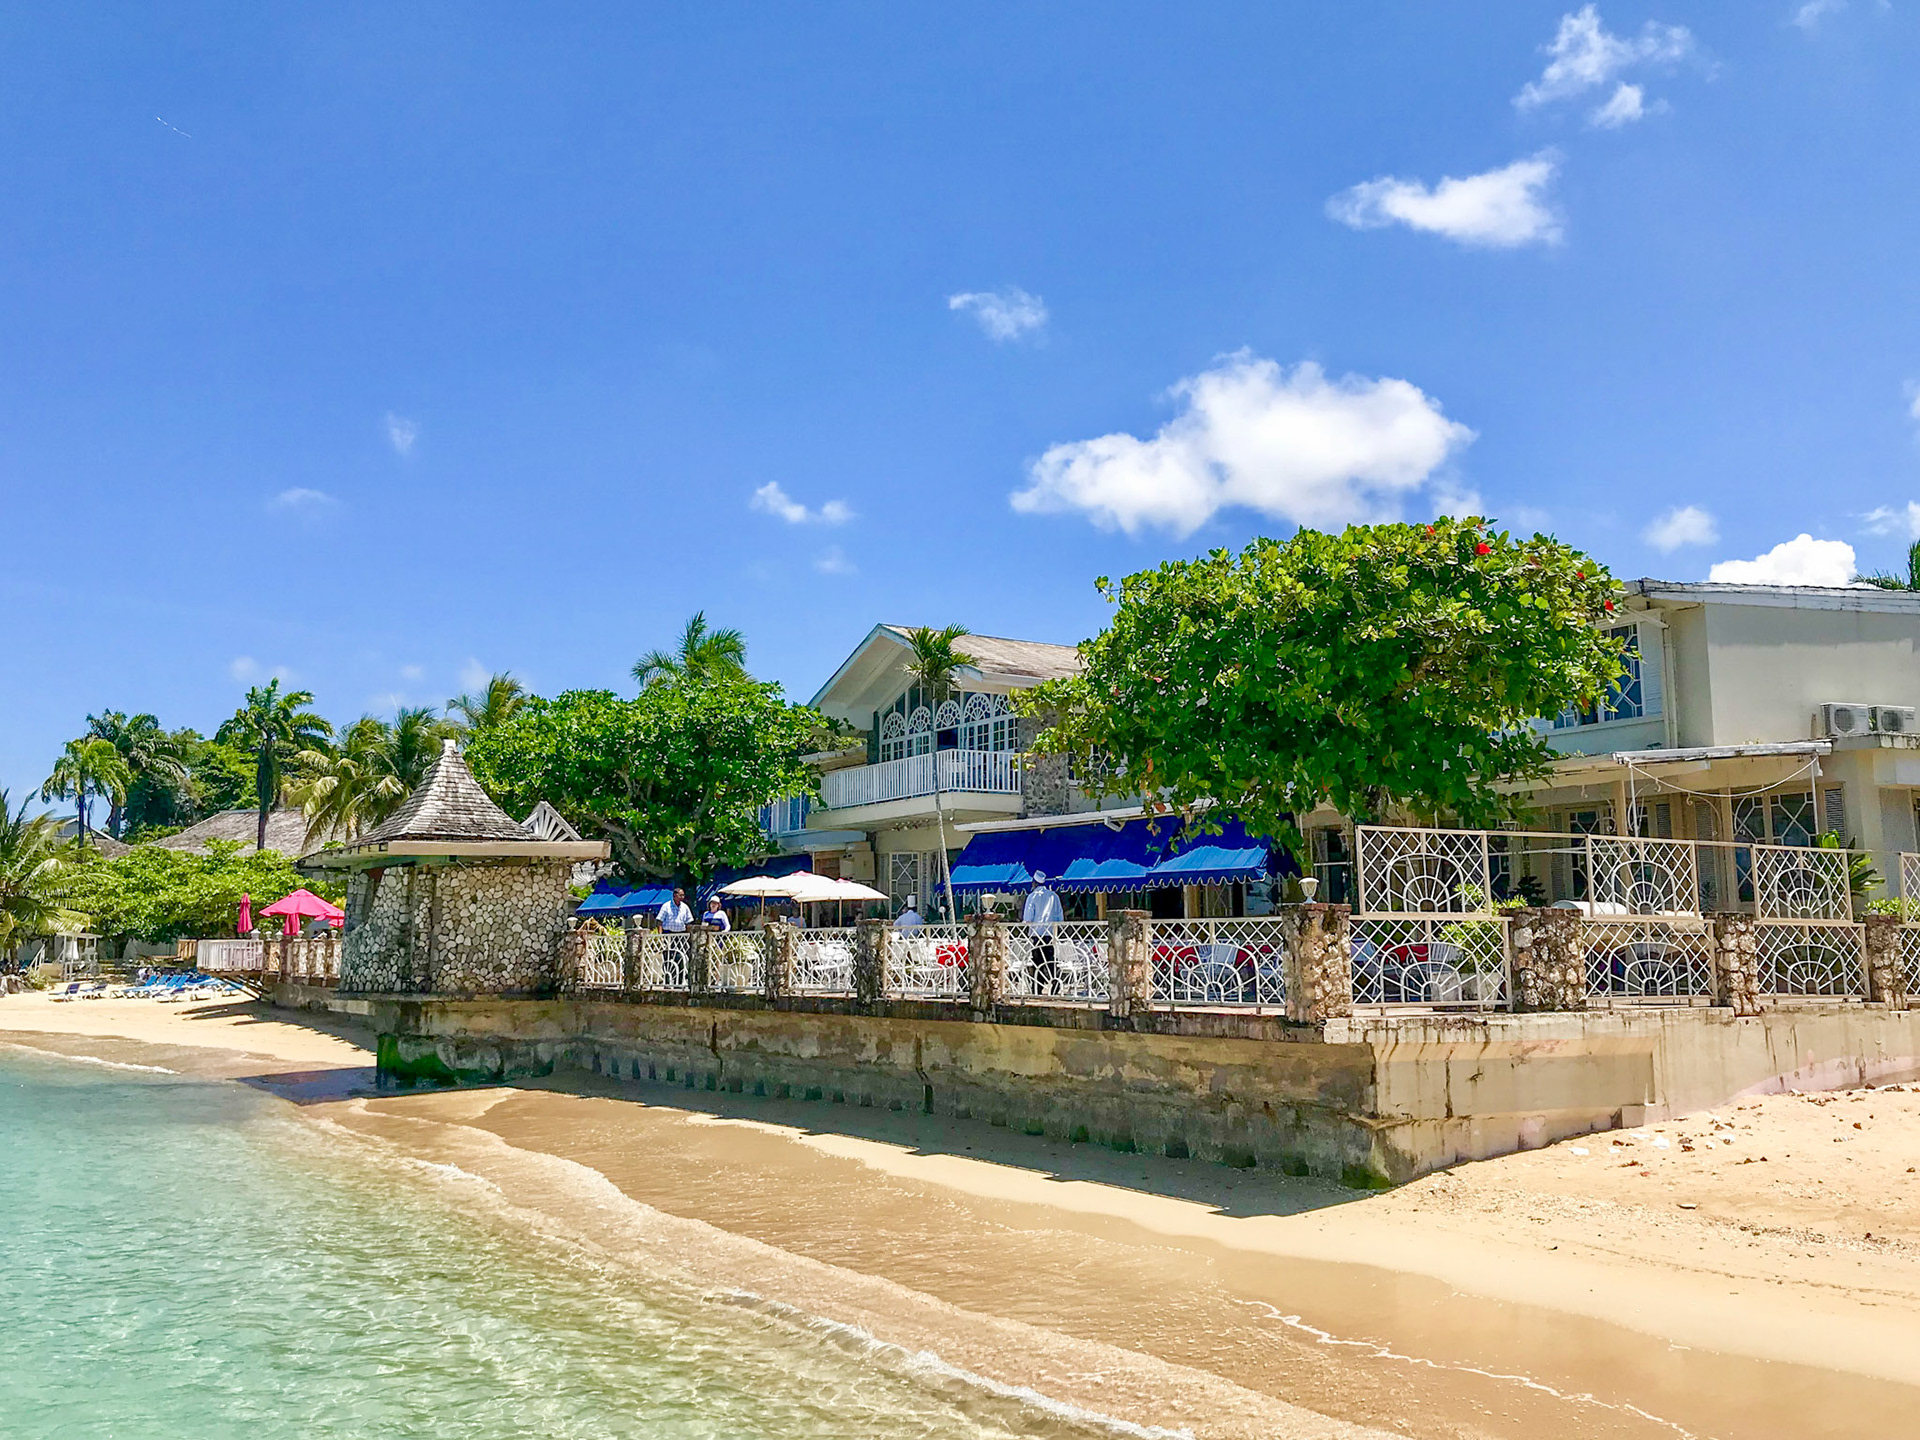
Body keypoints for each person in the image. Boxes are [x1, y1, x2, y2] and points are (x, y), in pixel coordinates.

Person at [1023, 871, 1063, 993]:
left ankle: (1037, 987)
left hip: (1037, 934)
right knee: (1050, 960)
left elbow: (1028, 918)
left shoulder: (1032, 897)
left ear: (1034, 883)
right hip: (1050, 933)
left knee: (1037, 961)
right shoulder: (1054, 896)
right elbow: (1059, 917)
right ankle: (1056, 983)